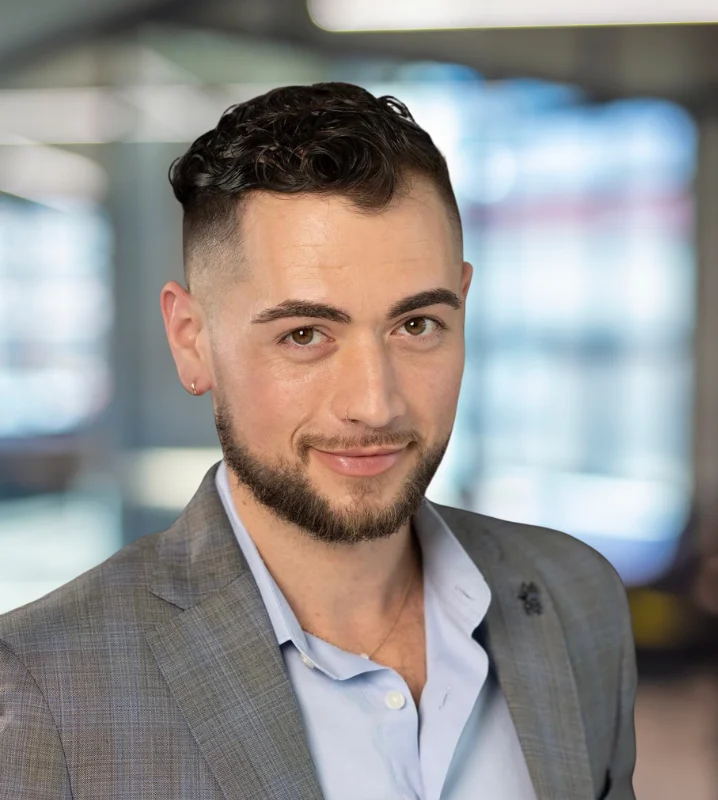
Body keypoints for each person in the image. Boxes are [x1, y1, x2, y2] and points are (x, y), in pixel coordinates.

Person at [0, 83, 636, 800]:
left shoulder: (576, 597)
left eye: (417, 325)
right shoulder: (40, 688)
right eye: (304, 335)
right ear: (192, 342)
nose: (374, 402)